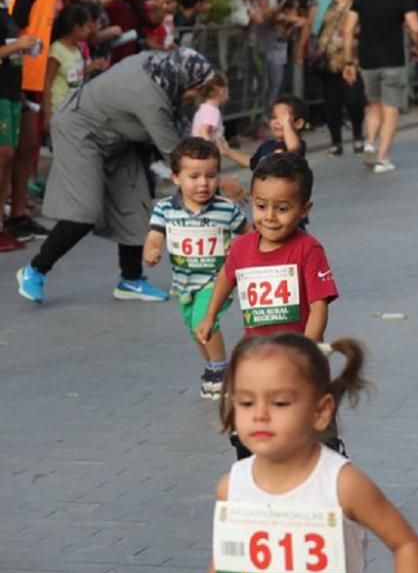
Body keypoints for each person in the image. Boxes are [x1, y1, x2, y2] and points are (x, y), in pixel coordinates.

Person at [206, 334, 418, 573]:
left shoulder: (343, 484)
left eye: (279, 403)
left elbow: (406, 545)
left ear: (321, 411)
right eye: (246, 402)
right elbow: (225, 560)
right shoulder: (231, 486)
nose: (260, 414)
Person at [15, 49, 218, 303]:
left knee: (135, 200)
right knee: (84, 212)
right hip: (80, 132)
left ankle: (131, 280)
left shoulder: (157, 67)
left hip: (117, 135)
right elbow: (175, 156)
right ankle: (35, 270)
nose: (194, 97)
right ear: (184, 78)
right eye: (196, 89)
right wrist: (214, 184)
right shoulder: (151, 99)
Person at [195, 154, 338, 346]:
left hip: (296, 354)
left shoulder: (309, 249)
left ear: (304, 210)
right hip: (256, 353)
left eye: (282, 208)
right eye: (261, 206)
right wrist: (210, 316)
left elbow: (318, 307)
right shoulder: (241, 247)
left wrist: (309, 348)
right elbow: (226, 277)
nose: (269, 216)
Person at [144, 138, 249, 399]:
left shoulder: (226, 209)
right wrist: (152, 250)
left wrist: (239, 252)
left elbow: (250, 235)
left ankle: (220, 370)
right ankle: (212, 366)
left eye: (211, 176)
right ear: (176, 178)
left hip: (216, 279)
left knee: (206, 321)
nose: (203, 183)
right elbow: (155, 236)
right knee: (195, 328)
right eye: (194, 176)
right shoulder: (165, 208)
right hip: (183, 282)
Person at [7, 0, 74, 243]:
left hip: (32, 82)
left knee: (27, 148)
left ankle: (19, 214)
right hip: (17, 77)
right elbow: (14, 28)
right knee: (11, 150)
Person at [343, 0, 418, 174]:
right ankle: (383, 157)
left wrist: (349, 60)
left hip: (367, 60)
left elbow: (348, 29)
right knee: (391, 109)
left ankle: (369, 142)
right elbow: (415, 28)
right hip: (393, 59)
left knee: (373, 105)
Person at [0, 0, 40, 252]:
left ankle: (6, 222)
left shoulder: (6, 11)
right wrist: (20, 46)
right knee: (3, 157)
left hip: (13, 93)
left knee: (11, 157)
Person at [314, 0, 366, 156]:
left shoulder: (361, 0)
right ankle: (335, 142)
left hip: (354, 58)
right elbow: (314, 23)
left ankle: (358, 135)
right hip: (328, 57)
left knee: (354, 99)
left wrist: (356, 32)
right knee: (331, 102)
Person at [219, 94, 306, 171]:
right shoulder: (267, 146)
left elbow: (293, 148)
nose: (277, 121)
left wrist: (286, 124)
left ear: (298, 123)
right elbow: (252, 163)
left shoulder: (298, 145)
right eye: (274, 117)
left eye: (283, 118)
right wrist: (227, 151)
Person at [43, 3, 90, 132]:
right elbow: (47, 83)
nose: (89, 30)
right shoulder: (57, 50)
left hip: (73, 110)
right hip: (59, 110)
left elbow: (75, 77)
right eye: (86, 27)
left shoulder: (77, 49)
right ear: (76, 28)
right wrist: (47, 115)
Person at [191, 73, 227, 141]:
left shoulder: (202, 108)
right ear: (221, 90)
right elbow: (202, 132)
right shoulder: (212, 111)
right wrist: (211, 150)